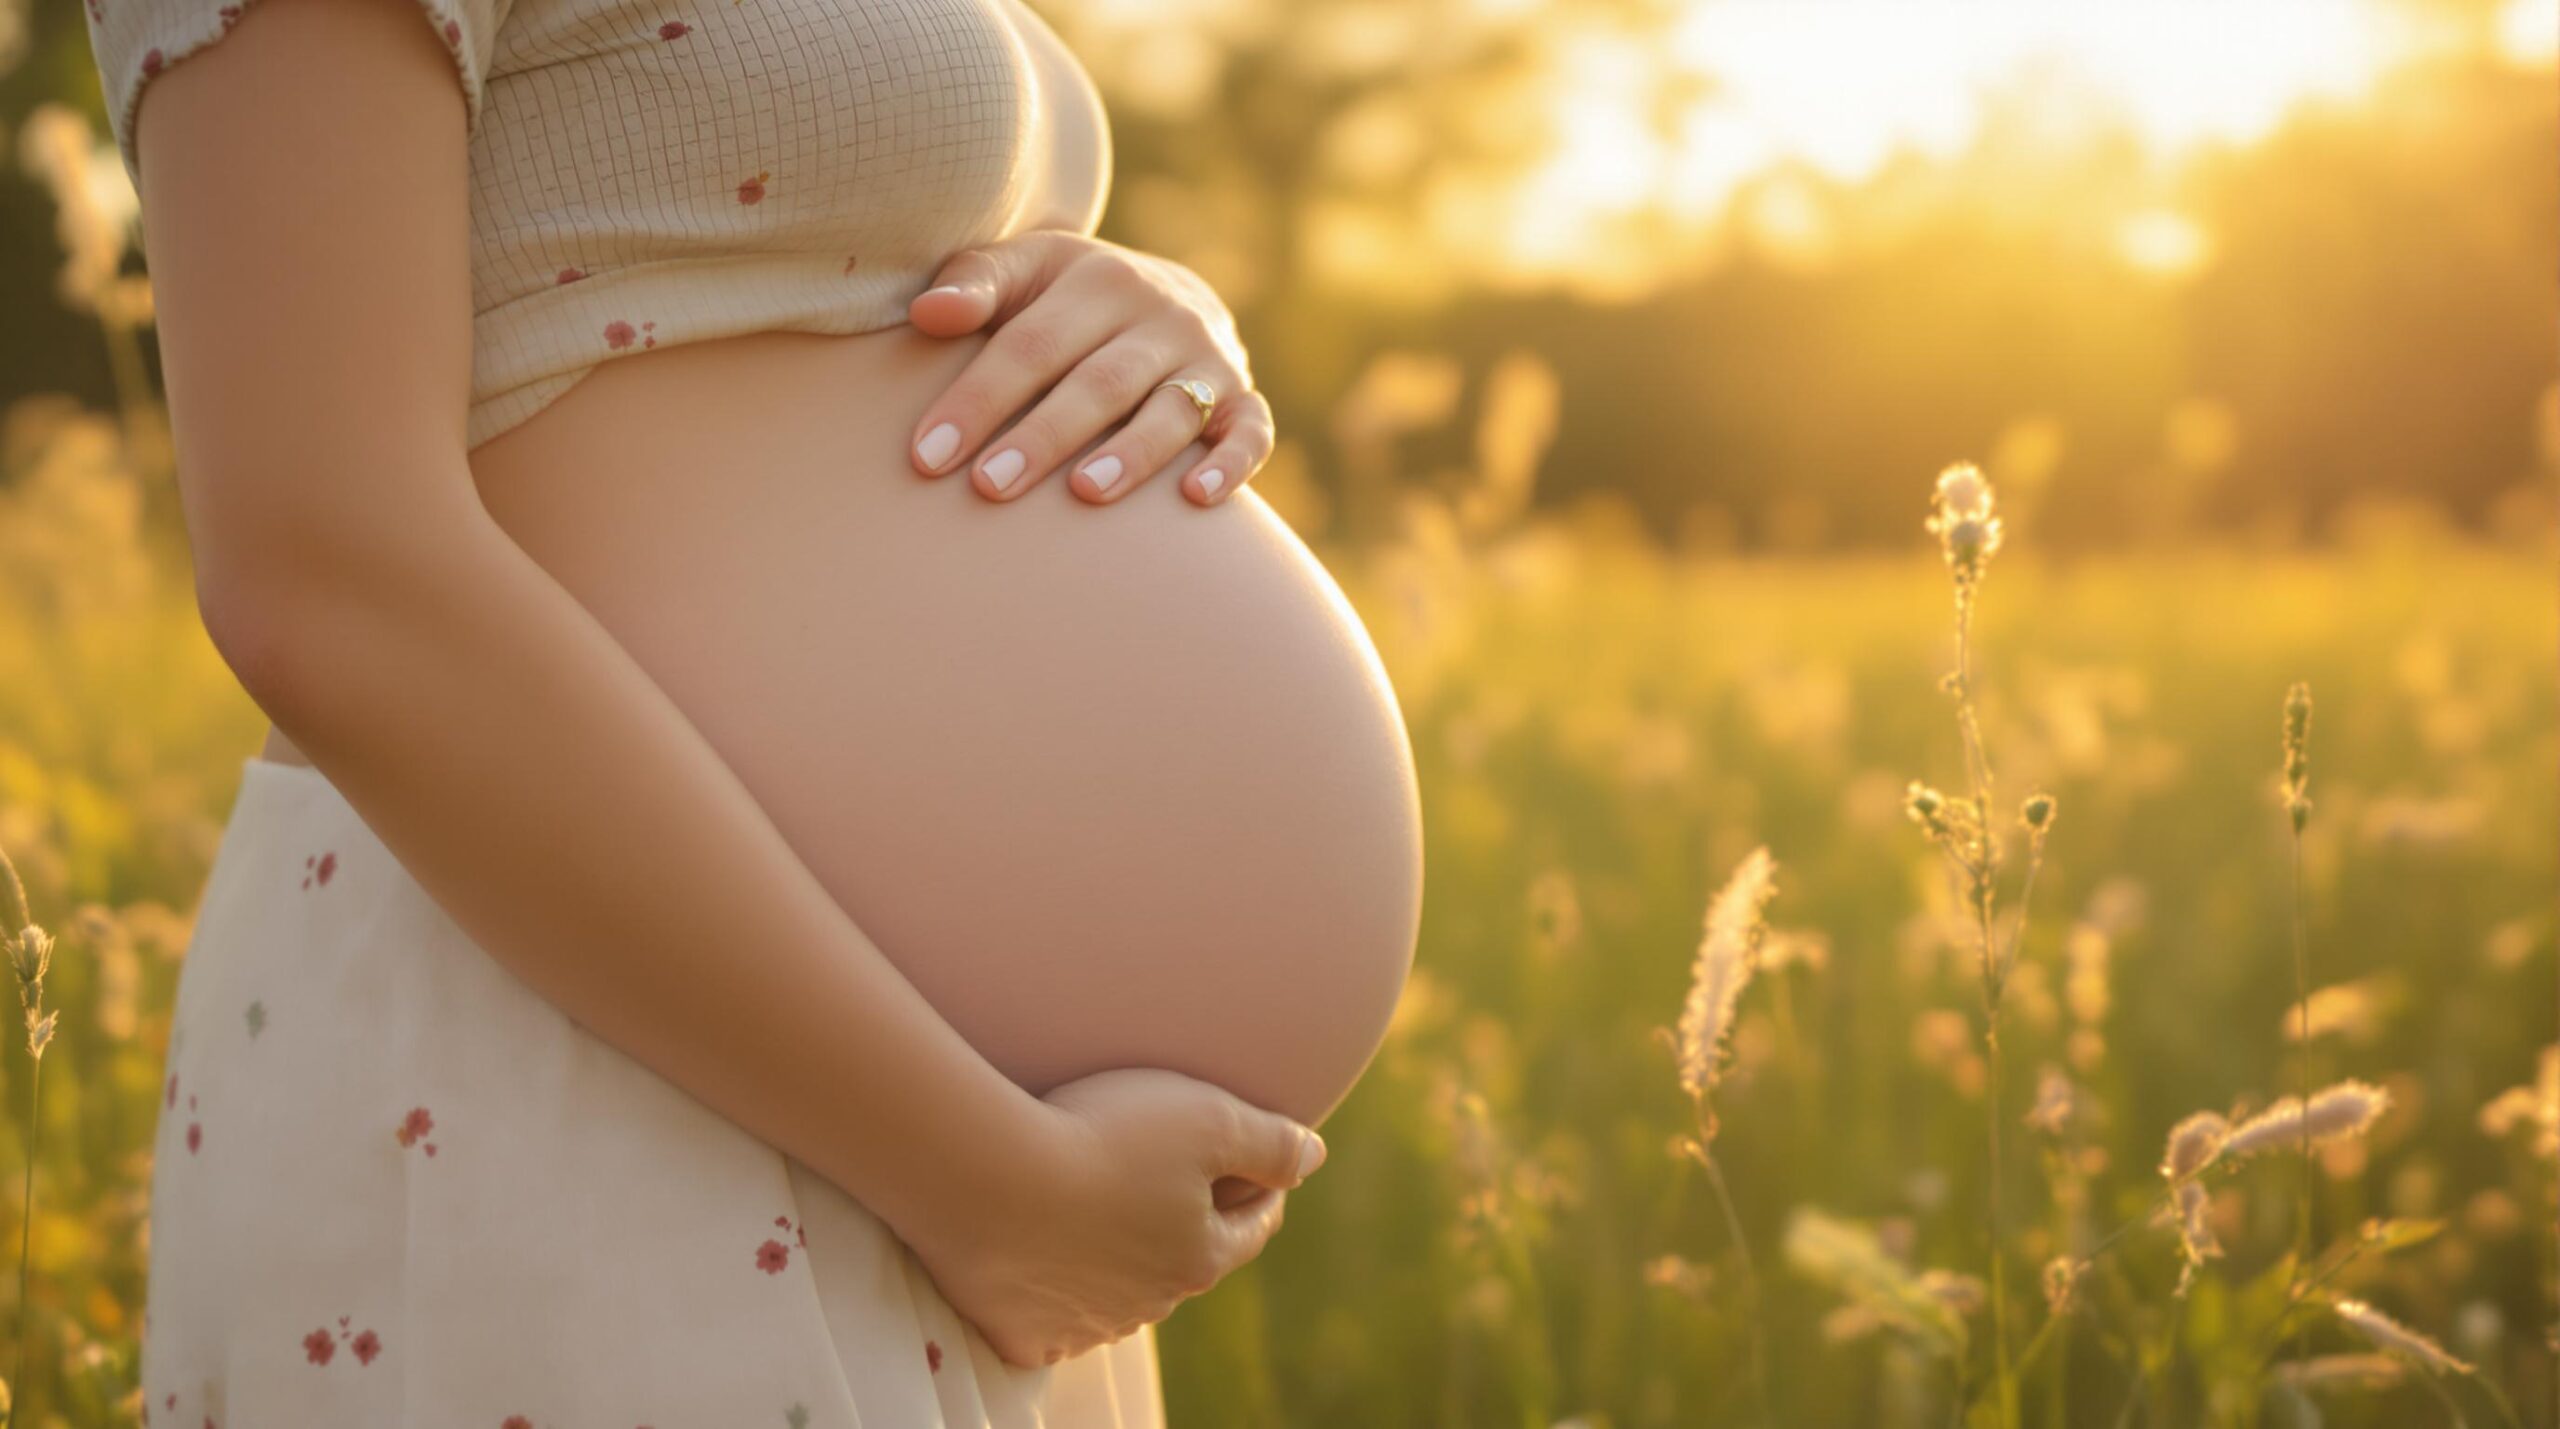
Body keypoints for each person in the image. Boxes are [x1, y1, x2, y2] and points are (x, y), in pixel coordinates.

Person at [79, 0, 1427, 1422]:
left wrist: (1150, 303)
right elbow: (321, 568)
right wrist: (984, 1188)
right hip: (602, 1047)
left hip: (939, 1141)